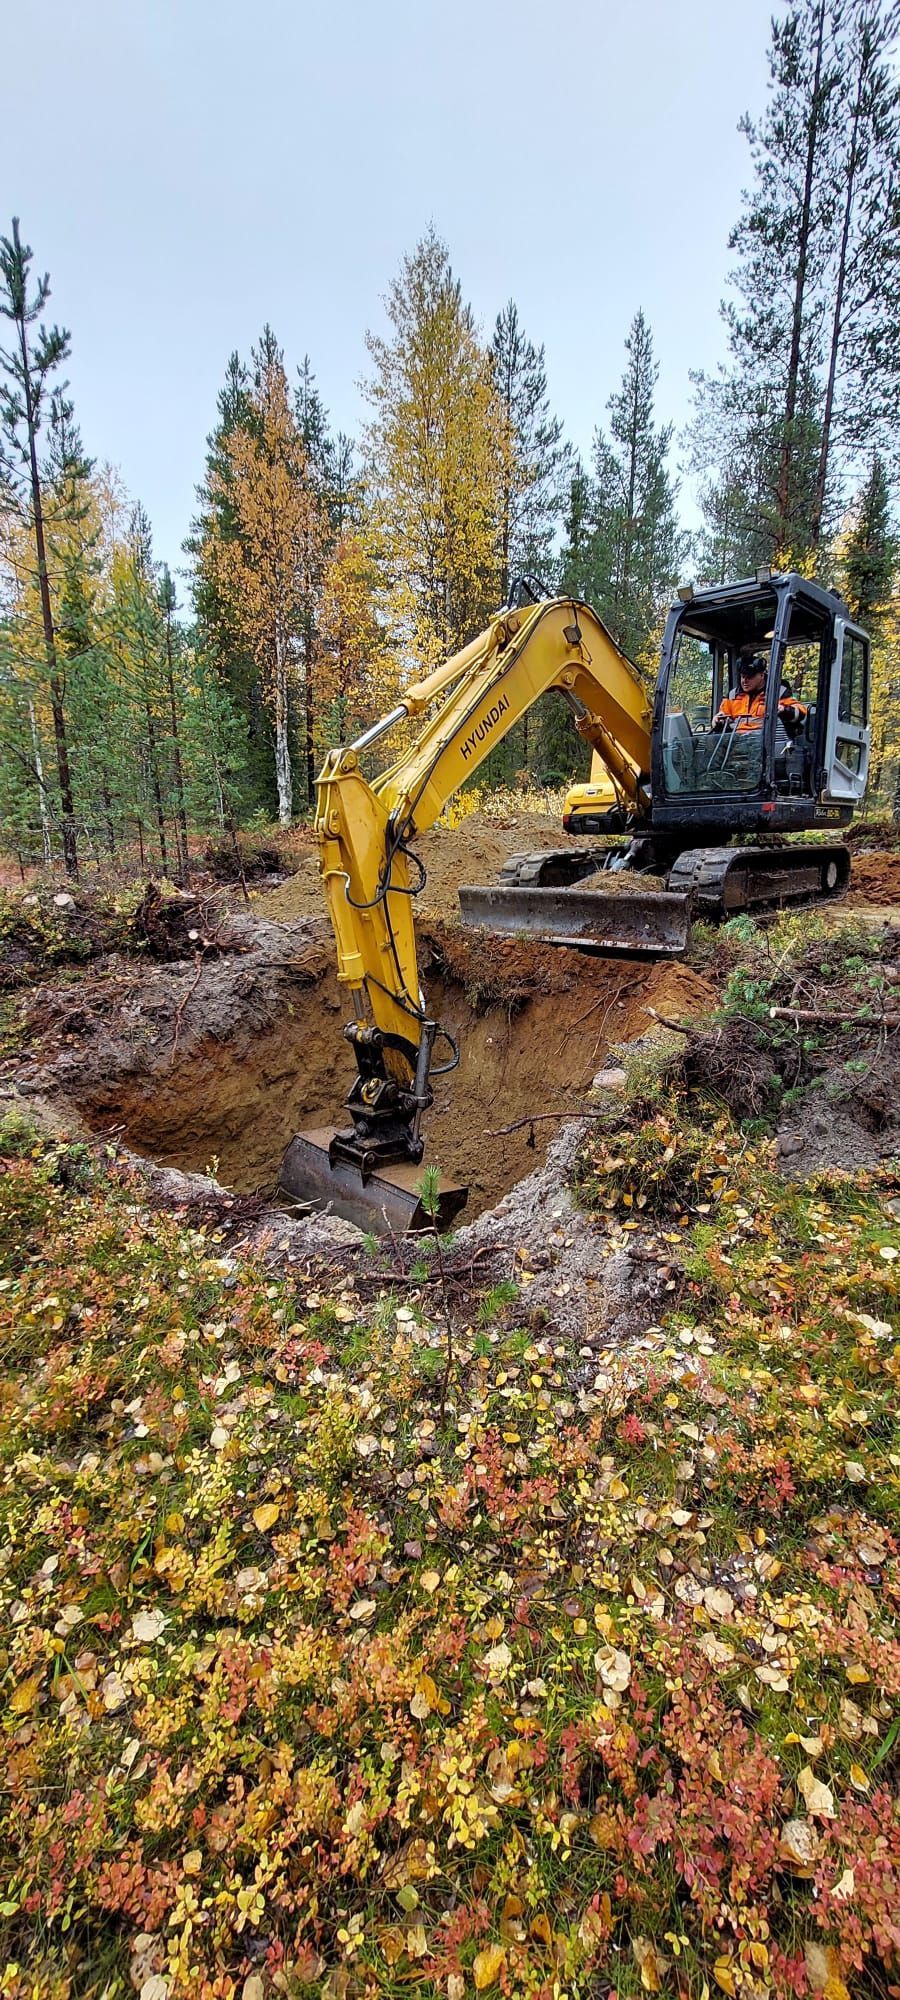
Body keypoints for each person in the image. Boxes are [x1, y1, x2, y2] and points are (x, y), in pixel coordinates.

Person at [713, 647, 807, 736]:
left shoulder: (778, 693)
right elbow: (722, 714)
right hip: (737, 744)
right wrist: (718, 720)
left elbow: (801, 712)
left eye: (750, 677)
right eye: (743, 676)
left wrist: (784, 710)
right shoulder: (733, 695)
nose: (744, 681)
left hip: (768, 744)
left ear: (762, 675)